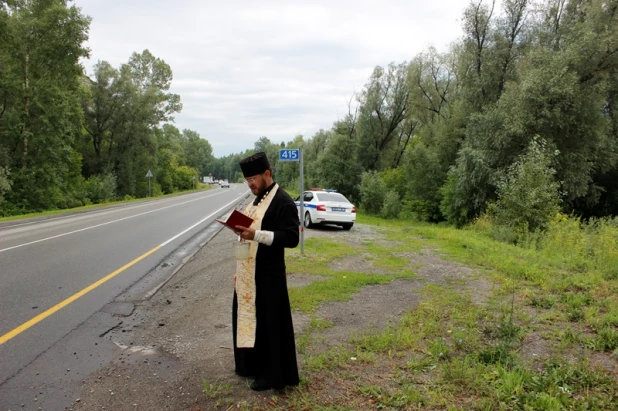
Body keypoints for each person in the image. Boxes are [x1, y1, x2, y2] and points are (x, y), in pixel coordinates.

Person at [232, 152, 300, 391]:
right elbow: (250, 232)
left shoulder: (283, 201)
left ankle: (272, 375)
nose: (250, 184)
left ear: (267, 174)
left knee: (270, 325)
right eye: (247, 180)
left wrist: (256, 235)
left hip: (269, 275)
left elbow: (292, 238)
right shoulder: (257, 200)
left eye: (253, 178)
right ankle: (251, 366)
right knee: (252, 320)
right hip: (249, 272)